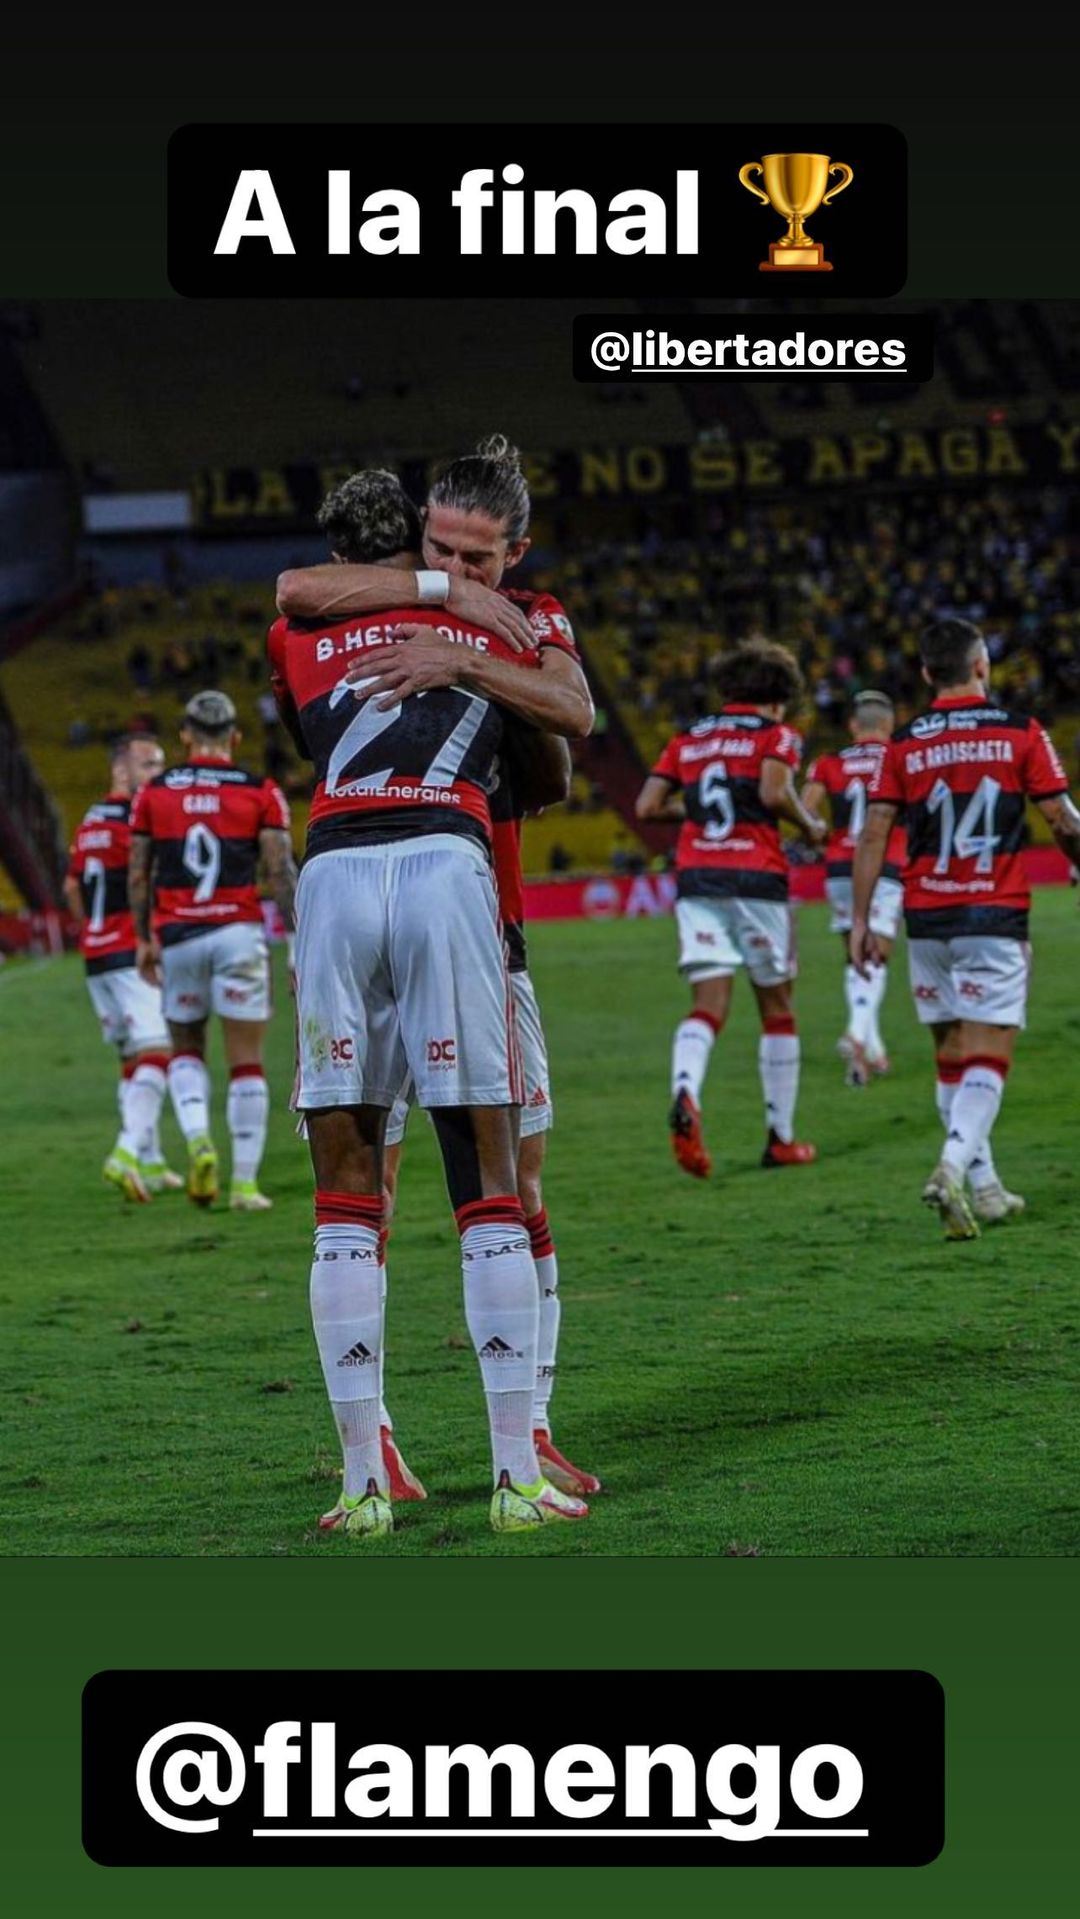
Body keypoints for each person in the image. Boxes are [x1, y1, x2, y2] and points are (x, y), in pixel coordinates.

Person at [268, 467, 593, 1540]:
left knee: (348, 1190)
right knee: (490, 1178)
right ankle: (513, 1469)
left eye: (475, 560)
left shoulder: (314, 624)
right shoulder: (511, 618)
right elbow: (557, 754)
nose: (457, 573)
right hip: (452, 876)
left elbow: (299, 598)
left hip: (335, 873)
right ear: (413, 543)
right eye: (440, 554)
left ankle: (362, 1480)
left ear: (514, 549)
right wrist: (461, 620)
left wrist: (451, 637)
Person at [852, 615, 1080, 1237]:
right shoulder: (1020, 733)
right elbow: (1061, 820)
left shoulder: (904, 744)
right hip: (994, 912)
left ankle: (984, 1187)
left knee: (950, 1058)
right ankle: (951, 1168)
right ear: (982, 666)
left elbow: (874, 834)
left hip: (926, 918)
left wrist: (861, 921)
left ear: (928, 675)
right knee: (988, 1056)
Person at [636, 639, 826, 1178]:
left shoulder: (689, 738)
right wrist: (809, 825)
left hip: (697, 876)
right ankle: (781, 1138)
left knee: (707, 1003)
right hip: (756, 877)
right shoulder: (777, 735)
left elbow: (647, 806)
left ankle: (685, 1089)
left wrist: (695, 808)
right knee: (778, 1005)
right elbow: (772, 792)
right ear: (778, 696)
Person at [128, 690, 296, 1212]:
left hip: (178, 935)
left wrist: (142, 938)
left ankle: (199, 1139)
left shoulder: (154, 793)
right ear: (235, 737)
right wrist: (295, 944)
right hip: (238, 932)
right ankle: (244, 1184)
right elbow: (281, 873)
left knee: (186, 1048)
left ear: (184, 735)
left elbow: (138, 874)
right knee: (246, 1060)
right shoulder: (260, 791)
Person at [63, 732, 180, 1202]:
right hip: (131, 950)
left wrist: (92, 932)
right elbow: (144, 878)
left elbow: (72, 888)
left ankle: (150, 1162)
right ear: (120, 770)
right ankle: (126, 1151)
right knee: (160, 1051)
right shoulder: (132, 820)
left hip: (96, 954)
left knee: (132, 1058)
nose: (158, 773)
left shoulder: (89, 819)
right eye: (148, 765)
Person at [802, 691, 906, 1086]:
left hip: (840, 866)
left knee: (854, 957)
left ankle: (869, 1052)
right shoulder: (900, 758)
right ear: (889, 726)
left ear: (853, 727)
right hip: (884, 861)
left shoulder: (829, 763)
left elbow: (807, 812)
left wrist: (821, 837)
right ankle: (856, 1032)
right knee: (876, 955)